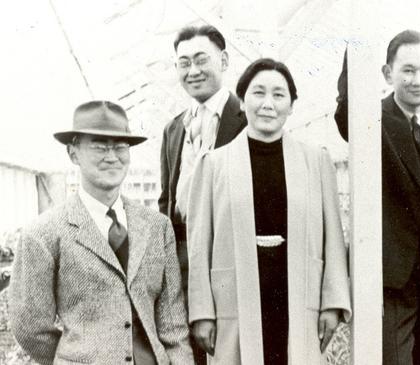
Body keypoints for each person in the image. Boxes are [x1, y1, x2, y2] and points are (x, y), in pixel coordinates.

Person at [187, 58, 351, 365]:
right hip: (235, 295)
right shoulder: (213, 164)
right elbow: (199, 246)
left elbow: (334, 239)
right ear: (242, 101)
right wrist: (202, 312)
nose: (267, 104)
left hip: (298, 292)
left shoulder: (316, 161)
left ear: (291, 105)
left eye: (279, 95)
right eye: (258, 93)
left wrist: (332, 302)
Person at [10, 101, 194, 364]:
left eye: (120, 147)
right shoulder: (43, 234)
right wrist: (74, 357)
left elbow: (173, 326)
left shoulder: (156, 227)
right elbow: (30, 327)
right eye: (99, 146)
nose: (111, 156)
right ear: (73, 153)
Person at [335, 29, 420, 364]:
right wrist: (357, 38)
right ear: (387, 73)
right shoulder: (370, 119)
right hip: (389, 274)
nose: (417, 80)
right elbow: (346, 106)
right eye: (407, 70)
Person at [158, 24, 246, 363]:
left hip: (232, 258)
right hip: (182, 262)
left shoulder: (247, 120)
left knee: (231, 350)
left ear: (223, 60)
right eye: (183, 63)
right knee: (187, 352)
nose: (192, 71)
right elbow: (166, 201)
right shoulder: (173, 129)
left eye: (201, 60)